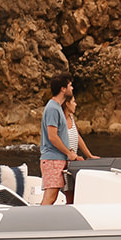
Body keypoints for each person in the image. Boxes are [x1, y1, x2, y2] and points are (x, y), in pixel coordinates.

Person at [39, 74, 76, 205]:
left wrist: (71, 153)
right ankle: (38, 223)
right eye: (70, 85)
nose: (72, 88)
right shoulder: (53, 109)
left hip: (58, 159)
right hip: (52, 159)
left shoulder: (57, 108)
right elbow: (52, 136)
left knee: (53, 196)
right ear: (63, 89)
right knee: (51, 196)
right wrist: (68, 153)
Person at [61, 95, 95, 201]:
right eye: (73, 102)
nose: (75, 104)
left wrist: (89, 155)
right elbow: (59, 140)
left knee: (74, 193)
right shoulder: (60, 120)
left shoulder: (71, 117)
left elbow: (77, 137)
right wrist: (73, 155)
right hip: (64, 161)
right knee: (69, 195)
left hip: (73, 161)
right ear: (67, 104)